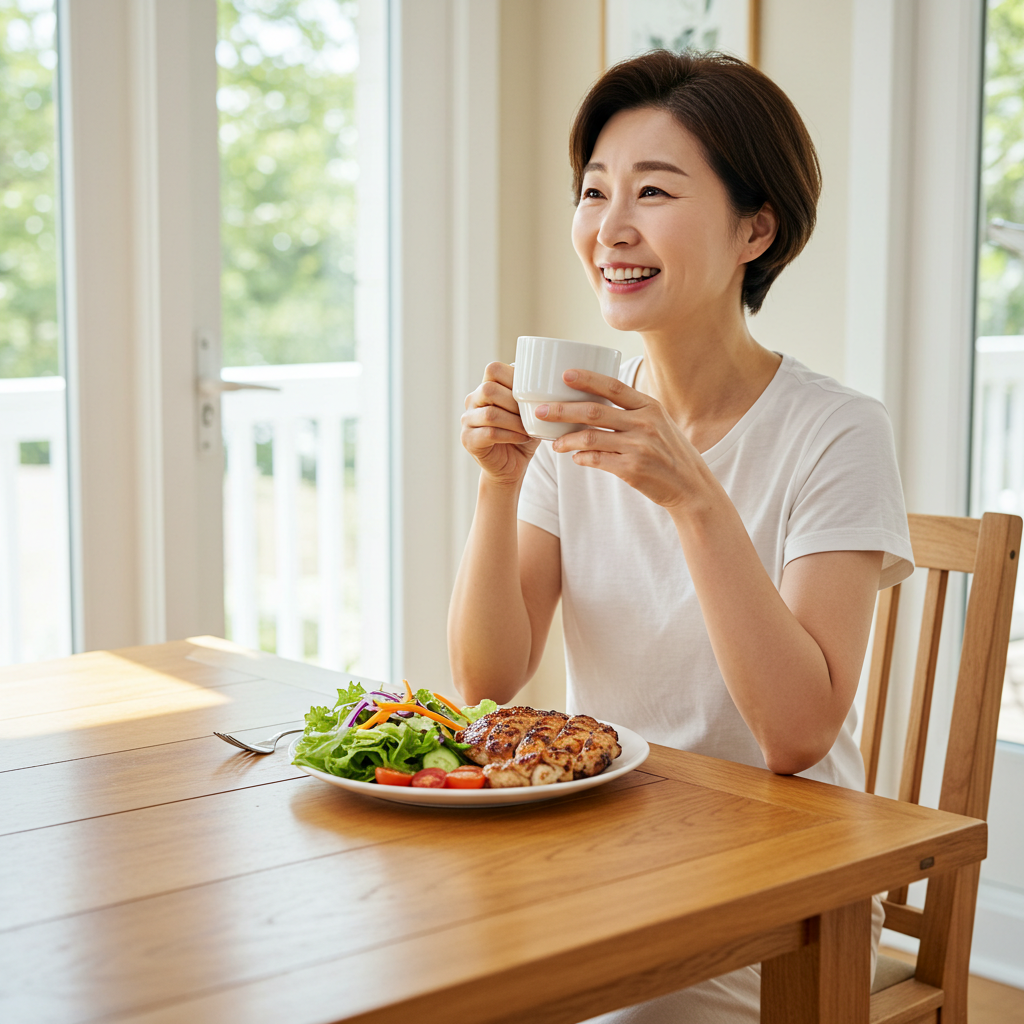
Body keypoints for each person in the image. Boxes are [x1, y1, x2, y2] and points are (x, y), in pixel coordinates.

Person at [448, 50, 914, 1021]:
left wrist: (694, 498)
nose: (610, 228)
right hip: (607, 850)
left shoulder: (836, 430)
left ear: (756, 227)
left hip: (785, 886)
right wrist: (498, 490)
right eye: (593, 192)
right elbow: (489, 682)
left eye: (652, 192)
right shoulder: (574, 415)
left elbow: (795, 734)